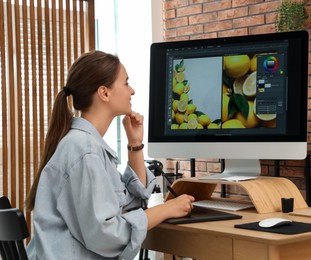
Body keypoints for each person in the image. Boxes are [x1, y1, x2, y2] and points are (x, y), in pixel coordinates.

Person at [25, 50, 194, 260]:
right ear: (104, 93)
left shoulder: (86, 145)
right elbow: (106, 235)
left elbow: (130, 201)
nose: (132, 90)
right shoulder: (84, 151)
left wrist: (135, 144)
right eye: (126, 83)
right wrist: (165, 210)